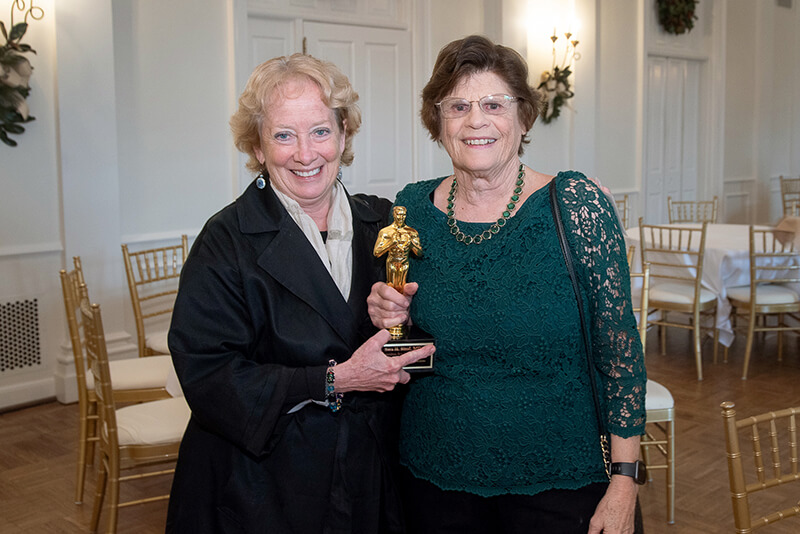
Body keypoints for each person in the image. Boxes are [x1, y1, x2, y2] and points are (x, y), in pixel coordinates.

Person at [367, 35, 646, 534]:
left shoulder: (576, 206)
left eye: (494, 104)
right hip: (433, 479)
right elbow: (409, 333)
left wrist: (624, 481)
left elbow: (619, 350)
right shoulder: (412, 211)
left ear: (523, 117)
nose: (476, 120)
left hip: (561, 483)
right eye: (458, 106)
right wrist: (389, 313)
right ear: (438, 122)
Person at [165, 53, 435, 533]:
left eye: (321, 131)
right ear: (258, 147)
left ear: (344, 134)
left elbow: (423, 344)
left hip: (370, 477)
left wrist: (407, 320)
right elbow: (208, 376)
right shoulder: (226, 240)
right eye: (284, 135)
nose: (305, 153)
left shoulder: (384, 222)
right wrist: (335, 380)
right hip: (264, 487)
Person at [373, 206, 423, 291]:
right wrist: (391, 243)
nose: (401, 217)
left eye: (403, 215)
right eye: (398, 215)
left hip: (404, 262)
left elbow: (419, 253)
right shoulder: (386, 232)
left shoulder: (411, 232)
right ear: (394, 215)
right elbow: (377, 252)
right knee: (391, 289)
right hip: (392, 262)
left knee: (402, 289)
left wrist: (411, 244)